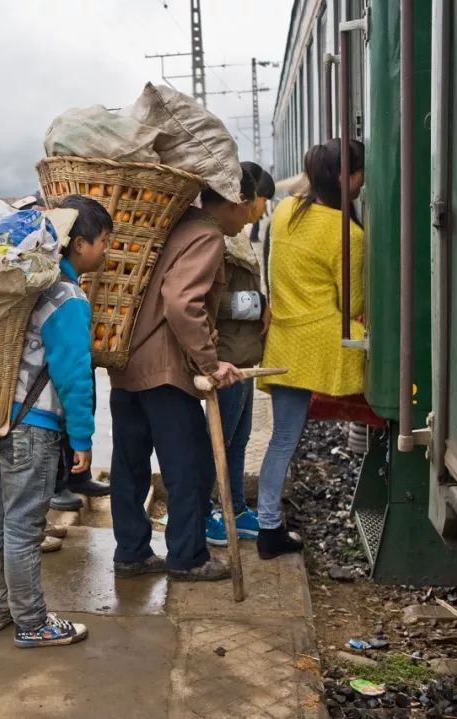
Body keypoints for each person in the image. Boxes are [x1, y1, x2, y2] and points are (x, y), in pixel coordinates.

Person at [0, 196, 110, 648]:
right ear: (80, 244)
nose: (106, 250)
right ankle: (32, 623)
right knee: (24, 527)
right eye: (103, 241)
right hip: (34, 426)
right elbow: (74, 376)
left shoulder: (23, 284)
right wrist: (82, 438)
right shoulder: (65, 296)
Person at [109, 169, 255, 582]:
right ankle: (188, 556)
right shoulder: (206, 234)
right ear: (233, 201)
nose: (248, 218)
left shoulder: (170, 222)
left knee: (130, 466)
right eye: (248, 206)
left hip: (126, 364)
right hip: (166, 372)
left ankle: (132, 552)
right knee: (188, 467)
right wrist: (210, 362)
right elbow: (180, 302)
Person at [256, 139, 366, 559]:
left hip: (284, 339)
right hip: (320, 345)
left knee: (283, 438)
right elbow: (352, 306)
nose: (361, 181)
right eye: (359, 173)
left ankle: (269, 525)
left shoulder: (285, 210)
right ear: (345, 177)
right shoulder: (349, 235)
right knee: (287, 438)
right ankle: (270, 530)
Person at [204, 162, 276, 546]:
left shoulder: (239, 239)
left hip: (244, 356)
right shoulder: (220, 242)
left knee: (239, 437)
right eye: (261, 200)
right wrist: (259, 302)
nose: (262, 209)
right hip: (227, 356)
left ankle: (234, 509)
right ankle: (206, 514)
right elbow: (215, 301)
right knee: (218, 439)